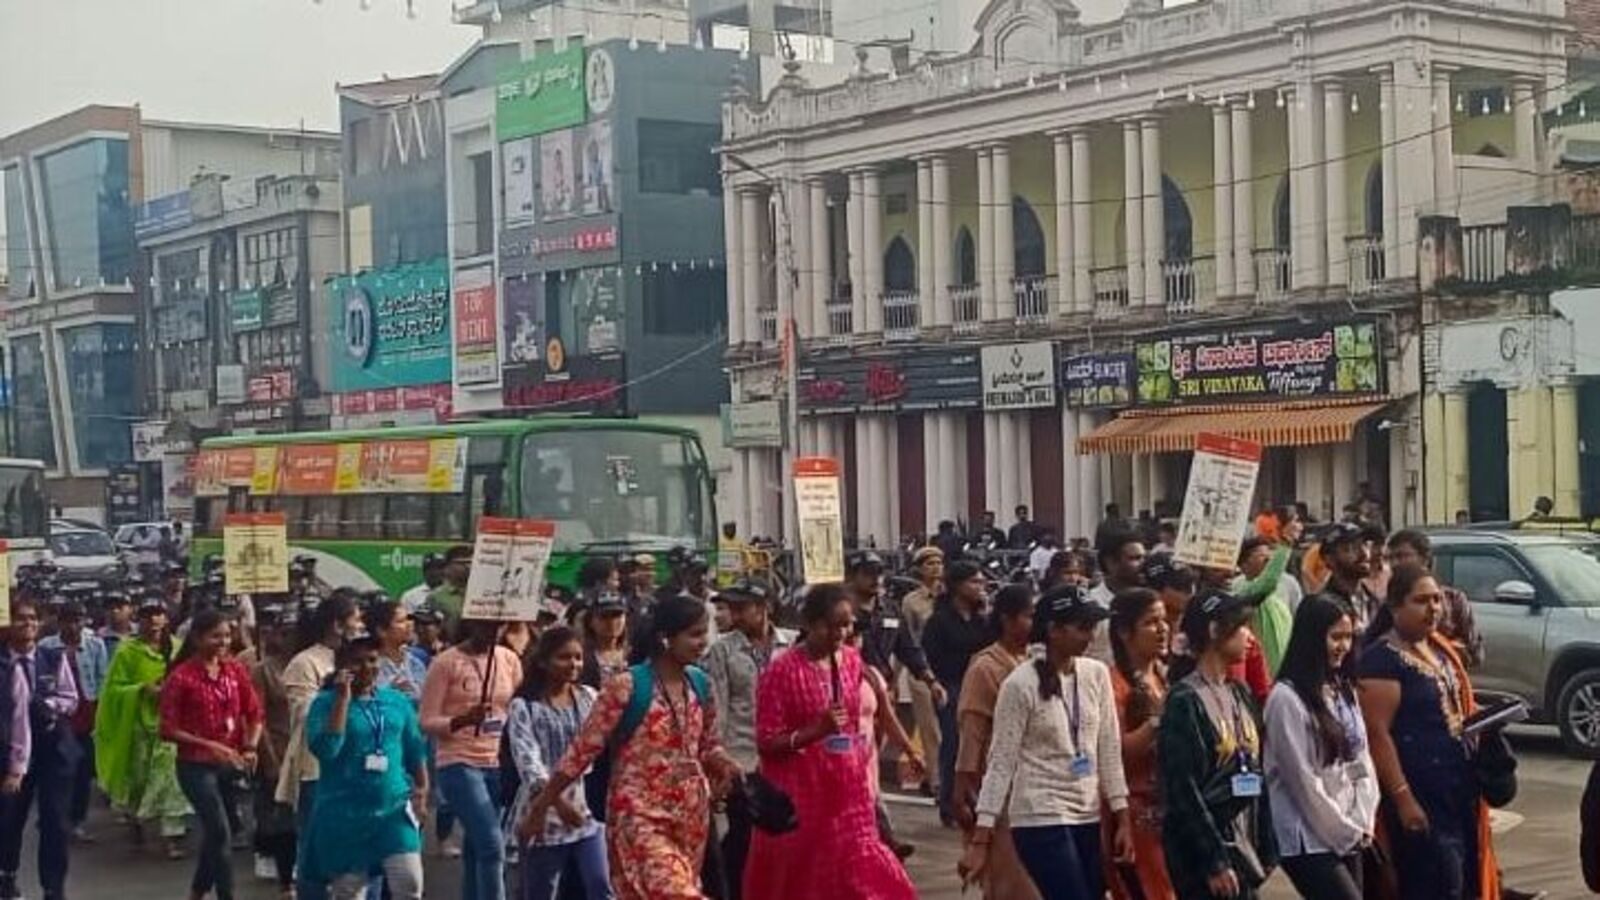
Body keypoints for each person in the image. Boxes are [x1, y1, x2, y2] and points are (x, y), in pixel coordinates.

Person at [521, 595, 739, 900]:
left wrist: (723, 763)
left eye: (706, 633)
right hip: (638, 815)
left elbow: (708, 744)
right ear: (666, 637)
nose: (703, 642)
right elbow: (581, 752)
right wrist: (542, 805)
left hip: (690, 817)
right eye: (694, 634)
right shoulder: (627, 686)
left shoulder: (700, 684)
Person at [741, 585, 916, 900]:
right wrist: (813, 732)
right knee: (809, 882)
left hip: (850, 794)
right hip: (804, 798)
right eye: (831, 625)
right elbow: (767, 741)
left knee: (869, 878)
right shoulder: (781, 672)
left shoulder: (851, 661)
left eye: (846, 624)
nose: (840, 633)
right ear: (808, 623)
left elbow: (855, 723)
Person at [959, 585, 1133, 899]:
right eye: (1082, 628)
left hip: (1088, 812)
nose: (1090, 635)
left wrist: (1122, 817)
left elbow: (1109, 749)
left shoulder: (1096, 674)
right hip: (1040, 815)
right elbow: (1000, 764)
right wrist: (981, 839)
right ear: (1053, 630)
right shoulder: (1020, 684)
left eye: (1092, 627)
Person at [1358, 563, 1500, 900]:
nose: (1433, 608)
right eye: (1421, 601)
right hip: (1420, 794)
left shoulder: (1439, 650)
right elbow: (1377, 735)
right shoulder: (1382, 660)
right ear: (1395, 607)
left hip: (1456, 792)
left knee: (1464, 882)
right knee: (1433, 883)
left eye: (1437, 600)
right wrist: (1404, 799)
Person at [1158, 588, 1278, 900]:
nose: (1250, 637)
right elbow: (1183, 790)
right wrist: (1213, 861)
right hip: (1204, 853)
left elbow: (1254, 769)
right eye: (1241, 627)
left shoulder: (1239, 691)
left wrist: (1266, 843)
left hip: (1244, 842)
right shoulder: (1184, 700)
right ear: (1214, 631)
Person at [1263, 596, 1379, 900]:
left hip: (1352, 826)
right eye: (1335, 637)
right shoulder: (1286, 699)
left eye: (1348, 637)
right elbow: (1302, 781)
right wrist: (1342, 830)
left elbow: (1362, 758)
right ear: (1312, 638)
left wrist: (1363, 816)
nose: (1343, 646)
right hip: (1308, 835)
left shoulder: (1343, 688)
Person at [301, 637, 430, 900]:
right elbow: (327, 750)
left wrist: (422, 789)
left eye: (371, 660)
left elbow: (415, 749)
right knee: (349, 891)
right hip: (345, 815)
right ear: (341, 667)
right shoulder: (323, 703)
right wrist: (342, 699)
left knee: (409, 883)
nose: (366, 667)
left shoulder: (396, 701)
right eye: (356, 662)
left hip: (393, 810)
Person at [159, 609, 265, 900]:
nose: (223, 642)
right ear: (196, 638)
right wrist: (210, 746)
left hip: (231, 764)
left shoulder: (234, 671)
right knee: (219, 830)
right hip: (195, 766)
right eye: (215, 636)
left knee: (223, 829)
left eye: (227, 635)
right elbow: (167, 729)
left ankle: (197, 891)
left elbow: (255, 713)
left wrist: (251, 746)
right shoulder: (181, 677)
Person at [421, 619, 523, 900]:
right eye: (487, 625)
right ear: (470, 623)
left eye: (500, 626)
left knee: (476, 847)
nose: (494, 631)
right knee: (492, 845)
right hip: (458, 762)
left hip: (497, 762)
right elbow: (427, 720)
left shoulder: (509, 660)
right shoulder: (445, 663)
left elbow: (517, 708)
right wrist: (462, 720)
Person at [507, 626, 611, 900]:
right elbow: (529, 762)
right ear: (543, 661)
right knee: (542, 891)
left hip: (585, 804)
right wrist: (558, 804)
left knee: (601, 883)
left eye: (578, 657)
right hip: (542, 811)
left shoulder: (589, 696)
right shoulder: (524, 706)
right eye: (564, 657)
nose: (574, 664)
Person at [951, 585, 1041, 900]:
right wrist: (963, 787)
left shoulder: (1037, 661)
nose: (1037, 622)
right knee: (1009, 880)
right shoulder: (986, 668)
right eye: (1030, 616)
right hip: (1001, 790)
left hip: (1038, 786)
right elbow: (972, 733)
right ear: (1007, 618)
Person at [702, 579, 787, 899]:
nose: (735, 613)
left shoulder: (788, 645)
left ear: (764, 608)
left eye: (743, 606)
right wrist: (718, 760)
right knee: (743, 835)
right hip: (741, 754)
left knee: (780, 833)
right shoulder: (722, 649)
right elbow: (718, 706)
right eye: (731, 606)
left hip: (783, 752)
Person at [278, 592, 364, 900]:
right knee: (315, 848)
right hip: (317, 768)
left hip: (357, 767)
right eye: (356, 619)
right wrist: (339, 694)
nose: (361, 625)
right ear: (337, 625)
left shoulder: (359, 659)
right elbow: (304, 714)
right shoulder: (306, 663)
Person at [94, 599, 189, 859]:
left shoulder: (178, 649)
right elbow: (113, 690)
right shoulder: (127, 652)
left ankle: (172, 836)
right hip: (137, 727)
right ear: (140, 620)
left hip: (170, 727)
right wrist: (142, 689)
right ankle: (137, 820)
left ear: (166, 618)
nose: (154, 620)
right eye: (148, 616)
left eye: (158, 614)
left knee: (171, 781)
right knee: (138, 781)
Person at [0, 598, 79, 900]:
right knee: (9, 821)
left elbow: (70, 699)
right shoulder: (3, 663)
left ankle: (53, 888)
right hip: (10, 757)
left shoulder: (52, 657)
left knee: (55, 822)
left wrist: (50, 706)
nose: (28, 624)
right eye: (20, 618)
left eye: (33, 618)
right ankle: (7, 875)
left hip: (53, 752)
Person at [1104, 589, 1174, 900]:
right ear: (1123, 631)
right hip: (1132, 815)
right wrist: (1158, 722)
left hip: (1167, 813)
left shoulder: (1163, 677)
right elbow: (1114, 753)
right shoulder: (1111, 682)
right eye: (1151, 622)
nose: (1162, 629)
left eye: (1164, 620)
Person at [922, 559, 992, 825]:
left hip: (978, 685)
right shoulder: (940, 621)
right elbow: (933, 655)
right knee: (954, 744)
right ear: (957, 586)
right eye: (973, 582)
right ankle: (950, 802)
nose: (979, 587)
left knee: (980, 745)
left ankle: (975, 799)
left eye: (981, 582)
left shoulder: (979, 619)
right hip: (952, 685)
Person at [38, 601, 104, 842]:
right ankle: (55, 817)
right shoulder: (46, 647)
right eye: (70, 620)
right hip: (60, 717)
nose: (75, 625)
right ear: (60, 622)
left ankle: (76, 820)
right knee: (59, 771)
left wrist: (101, 716)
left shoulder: (95, 645)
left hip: (87, 713)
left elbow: (101, 679)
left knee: (83, 772)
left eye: (79, 619)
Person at [249, 604, 299, 900]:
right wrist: (269, 758)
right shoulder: (262, 670)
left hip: (307, 750)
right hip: (277, 749)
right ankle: (284, 878)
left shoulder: (311, 664)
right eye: (286, 631)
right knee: (280, 817)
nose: (290, 637)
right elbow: (258, 717)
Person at [1387, 530, 1484, 670]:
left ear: (1424, 559)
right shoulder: (1388, 602)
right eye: (1391, 558)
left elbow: (1475, 653)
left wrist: (1443, 650)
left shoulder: (1454, 600)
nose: (1395, 563)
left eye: (1402, 556)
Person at [899, 547, 944, 804]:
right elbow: (906, 640)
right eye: (929, 563)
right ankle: (937, 781)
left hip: (947, 668)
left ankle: (939, 776)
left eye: (939, 562)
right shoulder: (912, 602)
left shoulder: (949, 596)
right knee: (931, 729)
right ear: (919, 569)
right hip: (921, 669)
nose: (936, 568)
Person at [1234, 537, 1295, 674]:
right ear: (1244, 563)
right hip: (1260, 676)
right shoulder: (1239, 587)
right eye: (1262, 555)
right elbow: (1266, 584)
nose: (1269, 560)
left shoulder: (1284, 587)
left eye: (1270, 555)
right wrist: (1285, 546)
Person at [1308, 523, 1380, 631]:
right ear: (1329, 559)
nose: (1365, 554)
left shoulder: (1375, 603)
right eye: (1351, 548)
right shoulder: (1320, 608)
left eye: (1365, 545)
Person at [1088, 531, 1146, 662]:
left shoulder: (1152, 603)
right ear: (1111, 562)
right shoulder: (1091, 605)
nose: (1143, 565)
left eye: (1144, 558)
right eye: (1135, 558)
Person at [428, 545, 474, 637]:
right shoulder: (436, 597)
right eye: (462, 563)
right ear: (448, 566)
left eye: (471, 562)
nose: (468, 567)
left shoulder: (480, 594)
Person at [98, 591, 135, 661]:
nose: (115, 611)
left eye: (119, 607)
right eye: (110, 608)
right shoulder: (99, 638)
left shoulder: (141, 632)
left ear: (130, 609)